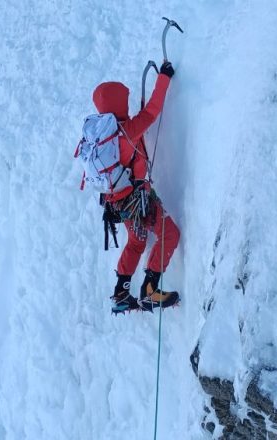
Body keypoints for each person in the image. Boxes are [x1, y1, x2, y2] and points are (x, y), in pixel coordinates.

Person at [91, 61, 180, 313]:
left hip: (117, 204)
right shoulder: (128, 130)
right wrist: (164, 77)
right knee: (170, 234)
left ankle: (121, 293)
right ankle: (150, 289)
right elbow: (152, 111)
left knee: (137, 242)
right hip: (139, 200)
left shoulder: (99, 140)